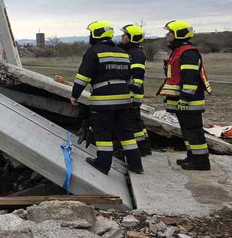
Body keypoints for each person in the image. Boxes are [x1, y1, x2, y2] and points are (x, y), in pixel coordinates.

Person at [69, 21, 143, 175]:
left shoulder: (93, 52)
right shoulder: (122, 52)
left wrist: (75, 95)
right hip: (124, 100)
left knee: (103, 133)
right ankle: (136, 165)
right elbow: (129, 78)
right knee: (126, 133)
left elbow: (83, 77)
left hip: (103, 100)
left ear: (96, 34)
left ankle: (103, 164)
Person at [158, 20, 212, 171]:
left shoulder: (188, 52)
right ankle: (192, 156)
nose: (167, 34)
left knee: (194, 131)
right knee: (187, 131)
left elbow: (190, 78)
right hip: (183, 100)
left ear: (178, 34)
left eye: (170, 32)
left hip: (190, 101)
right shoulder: (180, 50)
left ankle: (201, 162)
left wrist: (185, 99)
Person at [119, 24, 151, 156]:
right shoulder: (130, 51)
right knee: (136, 120)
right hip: (130, 93)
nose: (122, 36)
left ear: (131, 37)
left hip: (132, 94)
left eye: (125, 34)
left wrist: (130, 95)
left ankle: (140, 149)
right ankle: (144, 146)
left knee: (132, 121)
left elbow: (137, 77)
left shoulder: (136, 54)